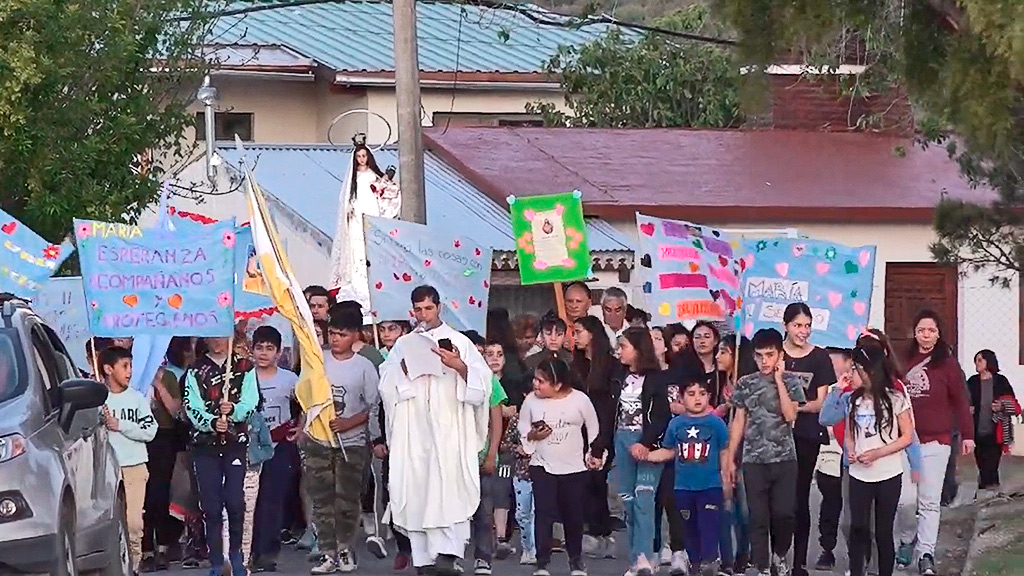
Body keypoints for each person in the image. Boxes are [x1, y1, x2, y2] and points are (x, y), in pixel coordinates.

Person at [377, 285, 492, 575]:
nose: (424, 314)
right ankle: (423, 560)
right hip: (414, 430)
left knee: (449, 486)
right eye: (418, 309)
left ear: (439, 307)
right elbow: (386, 384)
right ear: (412, 310)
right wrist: (403, 369)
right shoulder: (404, 344)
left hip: (449, 429)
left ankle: (449, 555)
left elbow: (483, 385)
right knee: (417, 487)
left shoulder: (460, 342)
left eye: (429, 308)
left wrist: (459, 366)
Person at [723, 328, 805, 576]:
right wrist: (729, 458)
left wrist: (779, 380)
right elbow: (738, 421)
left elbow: (791, 416)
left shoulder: (791, 381)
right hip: (754, 459)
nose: (764, 361)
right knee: (757, 516)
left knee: (784, 514)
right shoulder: (745, 383)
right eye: (759, 356)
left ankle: (780, 554)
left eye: (769, 355)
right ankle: (761, 566)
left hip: (784, 458)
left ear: (780, 354)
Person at [304, 309, 380, 574]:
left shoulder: (364, 367)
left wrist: (350, 423)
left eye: (342, 334)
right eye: (332, 333)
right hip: (318, 441)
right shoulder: (318, 361)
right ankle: (327, 553)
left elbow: (372, 406)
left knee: (347, 500)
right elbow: (306, 396)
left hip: (353, 442)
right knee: (322, 500)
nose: (335, 338)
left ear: (355, 335)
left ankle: (346, 549)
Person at [900, 310, 973, 576]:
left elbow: (961, 401)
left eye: (931, 330)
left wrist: (968, 435)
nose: (926, 335)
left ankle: (926, 553)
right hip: (905, 442)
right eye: (921, 330)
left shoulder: (948, 364)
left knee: (929, 500)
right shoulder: (904, 359)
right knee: (905, 501)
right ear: (915, 332)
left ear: (938, 334)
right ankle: (907, 540)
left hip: (937, 441)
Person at [183, 336, 260, 576]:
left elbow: (252, 400)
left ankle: (236, 554)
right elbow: (191, 405)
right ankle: (217, 559)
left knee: (235, 501)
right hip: (204, 446)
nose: (217, 342)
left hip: (236, 444)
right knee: (211, 505)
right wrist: (212, 422)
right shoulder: (195, 370)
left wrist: (235, 411)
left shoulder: (244, 367)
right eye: (212, 336)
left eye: (221, 336)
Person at [518, 358, 602, 576]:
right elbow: (523, 429)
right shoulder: (530, 401)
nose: (536, 385)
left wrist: (594, 454)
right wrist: (533, 436)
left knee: (573, 515)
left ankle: (576, 560)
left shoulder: (580, 400)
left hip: (574, 467)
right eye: (535, 380)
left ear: (558, 384)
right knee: (543, 513)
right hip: (542, 466)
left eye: (541, 381)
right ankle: (542, 563)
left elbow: (593, 429)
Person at [648, 377, 730, 576]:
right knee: (689, 529)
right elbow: (670, 451)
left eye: (702, 394)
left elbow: (724, 452)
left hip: (710, 486)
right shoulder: (676, 424)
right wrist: (648, 455)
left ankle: (710, 562)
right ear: (681, 398)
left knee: (708, 526)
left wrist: (726, 479)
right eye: (691, 394)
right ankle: (694, 564)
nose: (697, 399)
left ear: (709, 397)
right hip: (683, 488)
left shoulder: (716, 424)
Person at [846, 340, 915, 576]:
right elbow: (849, 435)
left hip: (888, 474)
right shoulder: (853, 400)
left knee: (883, 531)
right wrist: (851, 450)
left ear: (869, 371)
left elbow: (907, 436)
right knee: (857, 527)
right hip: (859, 475)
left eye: (855, 368)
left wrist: (878, 453)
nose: (851, 373)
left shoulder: (895, 398)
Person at [778, 303, 837, 576]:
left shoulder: (820, 357)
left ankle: (798, 561)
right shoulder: (775, 355)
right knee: (777, 499)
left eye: (807, 325)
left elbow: (820, 402)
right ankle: (776, 556)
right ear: (786, 325)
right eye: (798, 325)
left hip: (806, 434)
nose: (803, 331)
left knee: (799, 495)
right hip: (775, 434)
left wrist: (794, 408)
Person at [611, 327, 671, 576]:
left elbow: (661, 416)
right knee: (628, 502)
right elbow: (609, 414)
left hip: (647, 445)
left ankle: (646, 557)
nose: (619, 352)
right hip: (621, 440)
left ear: (638, 349)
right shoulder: (618, 376)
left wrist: (646, 443)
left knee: (644, 501)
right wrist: (600, 446)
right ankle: (635, 559)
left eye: (624, 346)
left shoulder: (656, 379)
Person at [100, 345, 158, 574]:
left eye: (130, 366)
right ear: (107, 369)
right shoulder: (98, 400)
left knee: (134, 521)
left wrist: (121, 425)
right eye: (124, 366)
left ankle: (135, 563)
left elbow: (150, 430)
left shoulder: (136, 399)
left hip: (134, 466)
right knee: (112, 522)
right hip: (107, 468)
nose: (129, 371)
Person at [249, 326, 301, 572]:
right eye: (259, 348)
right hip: (250, 448)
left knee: (273, 499)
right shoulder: (245, 377)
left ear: (279, 352)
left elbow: (305, 406)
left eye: (269, 348)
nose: (264, 353)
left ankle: (268, 552)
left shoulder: (290, 379)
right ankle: (249, 550)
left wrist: (299, 428)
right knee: (250, 501)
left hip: (279, 446)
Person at [328, 139, 401, 308]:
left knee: (371, 249)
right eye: (359, 156)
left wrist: (384, 185)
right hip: (355, 218)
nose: (362, 159)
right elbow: (346, 199)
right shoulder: (352, 178)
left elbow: (387, 192)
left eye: (364, 156)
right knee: (356, 251)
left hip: (371, 214)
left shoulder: (374, 176)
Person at [463, 330, 510, 576]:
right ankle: (454, 555)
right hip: (456, 457)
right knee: (456, 511)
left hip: (481, 456)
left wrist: (492, 453)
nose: (478, 357)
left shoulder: (490, 380)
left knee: (484, 510)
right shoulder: (452, 377)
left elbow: (496, 418)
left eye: (482, 353)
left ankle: (483, 557)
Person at [572, 316, 618, 561]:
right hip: (577, 433)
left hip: (603, 430)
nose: (575, 337)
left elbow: (610, 408)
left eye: (579, 331)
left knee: (597, 481)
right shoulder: (575, 365)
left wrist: (600, 443)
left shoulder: (611, 366)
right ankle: (592, 533)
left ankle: (602, 533)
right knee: (584, 483)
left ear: (592, 334)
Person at [140, 338, 188, 571]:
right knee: (143, 496)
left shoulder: (168, 377)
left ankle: (162, 547)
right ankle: (145, 548)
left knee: (161, 493)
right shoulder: (132, 372)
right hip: (137, 439)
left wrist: (158, 384)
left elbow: (175, 410)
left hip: (164, 437)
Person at [714, 337, 754, 574]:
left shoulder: (746, 384)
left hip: (744, 448)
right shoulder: (722, 382)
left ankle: (744, 554)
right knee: (724, 503)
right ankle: (726, 558)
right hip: (723, 447)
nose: (718, 356)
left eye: (723, 352)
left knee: (744, 508)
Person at [967, 349, 1020, 491]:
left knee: (992, 463)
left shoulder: (1000, 381)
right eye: (976, 360)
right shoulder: (972, 381)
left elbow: (1012, 402)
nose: (977, 363)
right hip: (977, 428)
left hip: (996, 429)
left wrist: (1001, 405)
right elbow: (965, 399)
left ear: (988, 361)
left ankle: (989, 489)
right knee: (981, 462)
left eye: (980, 360)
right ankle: (989, 489)